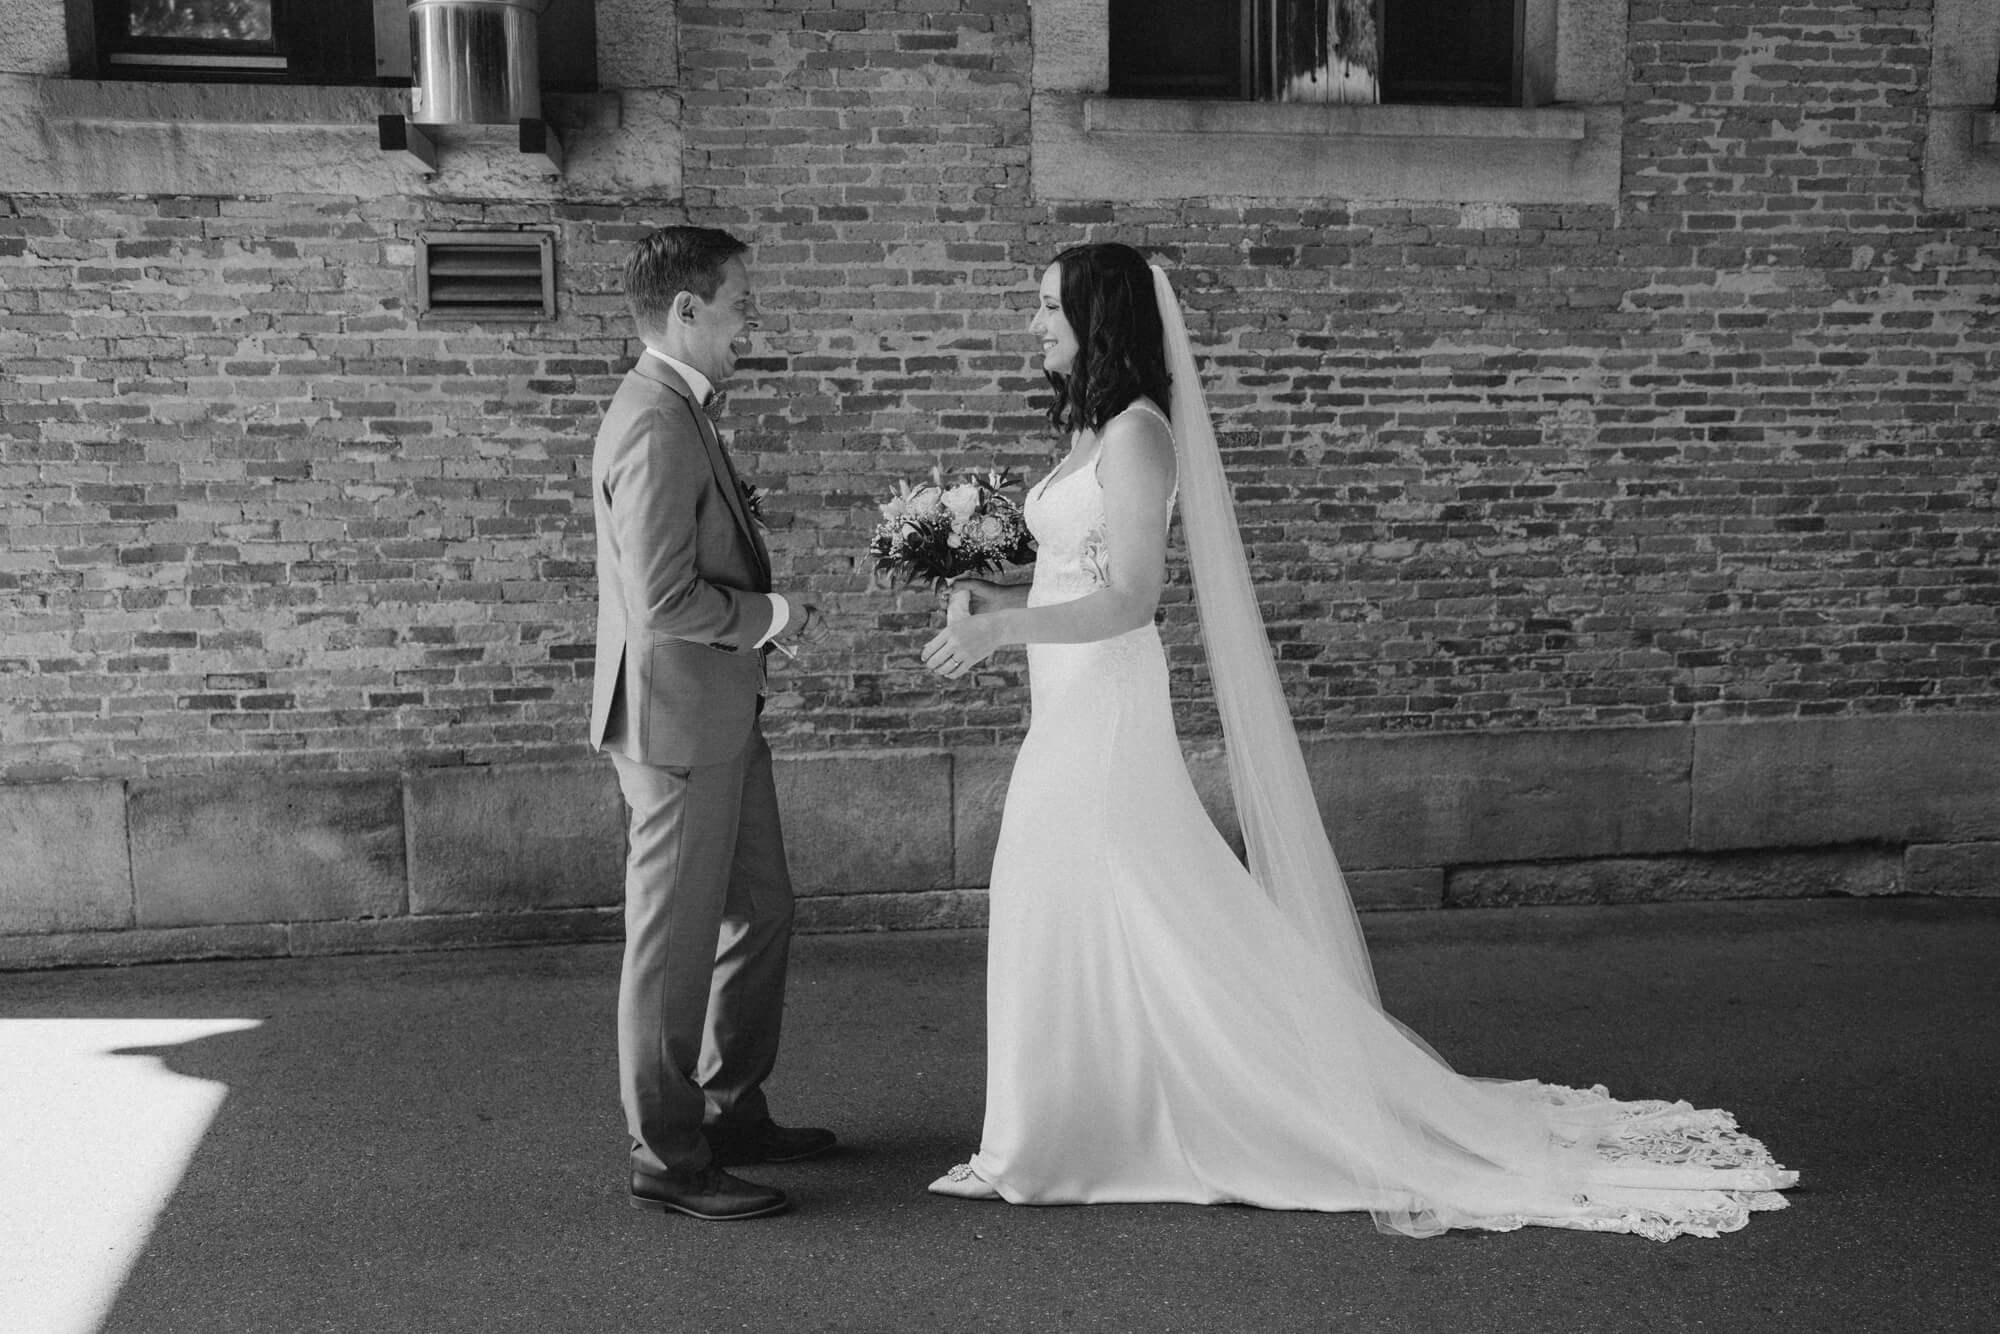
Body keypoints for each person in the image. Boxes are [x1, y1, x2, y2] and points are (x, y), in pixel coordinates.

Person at [917, 241, 1798, 1239]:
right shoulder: (1089, 429)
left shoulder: (1135, 432)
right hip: (1067, 691)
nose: (1032, 322)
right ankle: (1062, 1127)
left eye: (1046, 306)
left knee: (1081, 880)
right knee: (1087, 889)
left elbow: (1130, 598)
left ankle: (1054, 1139)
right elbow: (1073, 573)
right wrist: (989, 594)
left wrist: (1001, 629)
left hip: (1105, 700)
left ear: (1097, 316)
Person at [589, 225, 835, 1222]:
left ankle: (731, 1105)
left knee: (763, 906)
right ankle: (669, 1155)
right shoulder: (653, 421)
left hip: (721, 713)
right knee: (672, 945)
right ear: (685, 311)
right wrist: (774, 615)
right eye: (739, 304)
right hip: (679, 722)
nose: (751, 323)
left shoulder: (679, 408)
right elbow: (662, 597)